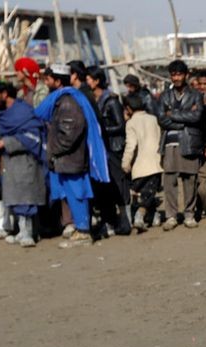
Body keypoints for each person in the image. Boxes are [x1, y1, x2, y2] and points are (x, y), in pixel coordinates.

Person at [35, 64, 111, 247]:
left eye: (49, 78)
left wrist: (54, 150)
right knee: (73, 193)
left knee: (77, 194)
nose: (46, 82)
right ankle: (80, 228)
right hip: (68, 159)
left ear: (57, 81)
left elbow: (70, 133)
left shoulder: (68, 102)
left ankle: (83, 232)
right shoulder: (62, 100)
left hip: (70, 158)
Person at [0, 81, 45, 247]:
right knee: (14, 197)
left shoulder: (22, 111)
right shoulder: (3, 114)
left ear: (4, 94)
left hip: (25, 161)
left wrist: (7, 142)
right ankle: (21, 231)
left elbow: (33, 136)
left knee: (26, 197)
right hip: (9, 164)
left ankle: (29, 232)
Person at [157, 59, 205, 230]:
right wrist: (183, 118)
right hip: (169, 143)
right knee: (169, 180)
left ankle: (189, 214)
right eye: (173, 75)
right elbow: (161, 119)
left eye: (179, 74)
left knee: (189, 179)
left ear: (186, 75)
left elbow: (197, 117)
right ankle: (171, 216)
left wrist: (173, 114)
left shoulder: (196, 95)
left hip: (189, 141)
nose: (176, 78)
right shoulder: (164, 96)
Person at [88, 66, 131, 236]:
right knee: (105, 187)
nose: (87, 82)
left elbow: (121, 126)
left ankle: (125, 222)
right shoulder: (96, 100)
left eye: (90, 79)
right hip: (103, 150)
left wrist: (101, 130)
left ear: (97, 80)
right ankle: (111, 222)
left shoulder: (111, 101)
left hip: (114, 148)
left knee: (119, 186)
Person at [121, 93, 164, 233]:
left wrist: (125, 163)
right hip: (156, 163)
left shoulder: (131, 123)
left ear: (128, 108)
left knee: (141, 194)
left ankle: (139, 216)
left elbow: (130, 146)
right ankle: (152, 217)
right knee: (149, 193)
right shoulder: (153, 119)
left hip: (140, 166)